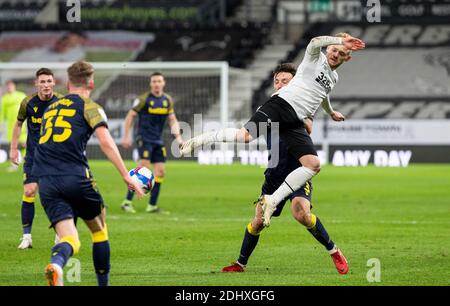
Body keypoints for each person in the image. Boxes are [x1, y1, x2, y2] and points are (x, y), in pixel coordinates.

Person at [180, 33, 365, 226]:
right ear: (329, 48)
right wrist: (339, 40)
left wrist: (331, 112)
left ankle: (273, 200)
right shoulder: (314, 57)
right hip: (281, 105)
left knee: (313, 164)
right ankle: (201, 140)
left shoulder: (334, 77)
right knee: (245, 136)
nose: (336, 54)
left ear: (347, 58)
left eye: (341, 53)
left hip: (295, 120)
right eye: (334, 49)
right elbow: (313, 42)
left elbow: (323, 95)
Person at [221, 63, 348, 274]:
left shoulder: (302, 106)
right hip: (274, 173)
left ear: (294, 84)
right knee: (259, 221)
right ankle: (240, 264)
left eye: (285, 81)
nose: (279, 85)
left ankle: (333, 250)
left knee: (301, 214)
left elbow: (308, 127)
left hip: (297, 171)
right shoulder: (268, 108)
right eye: (277, 81)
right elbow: (250, 133)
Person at [31, 60, 144, 286]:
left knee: (70, 238)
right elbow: (106, 142)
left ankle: (56, 265)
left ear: (67, 82)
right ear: (91, 82)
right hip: (75, 176)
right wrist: (125, 174)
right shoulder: (89, 106)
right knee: (99, 230)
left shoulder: (51, 108)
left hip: (46, 181)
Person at [9, 68, 63, 249]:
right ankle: (27, 237)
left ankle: (60, 234)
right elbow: (18, 124)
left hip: (56, 157)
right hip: (34, 156)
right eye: (42, 82)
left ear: (54, 83)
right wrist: (13, 148)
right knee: (29, 191)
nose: (46, 85)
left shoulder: (63, 102)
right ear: (36, 84)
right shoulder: (28, 102)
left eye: (49, 81)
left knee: (56, 195)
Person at [120, 72, 183, 213]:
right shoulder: (143, 99)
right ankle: (127, 202)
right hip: (144, 138)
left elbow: (173, 119)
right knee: (142, 168)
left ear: (163, 83)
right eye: (154, 81)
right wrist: (126, 136)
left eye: (159, 81)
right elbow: (130, 116)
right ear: (150, 84)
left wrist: (178, 138)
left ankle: (152, 205)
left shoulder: (167, 100)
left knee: (160, 171)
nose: (156, 84)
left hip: (158, 140)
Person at [0, 80, 27, 172]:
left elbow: (27, 107)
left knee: (24, 144)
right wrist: (0, 126)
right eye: (8, 86)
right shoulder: (5, 98)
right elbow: (2, 114)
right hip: (10, 126)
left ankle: (26, 162)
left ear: (14, 86)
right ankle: (14, 165)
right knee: (12, 145)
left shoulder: (21, 95)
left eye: (11, 86)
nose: (9, 88)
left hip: (21, 124)